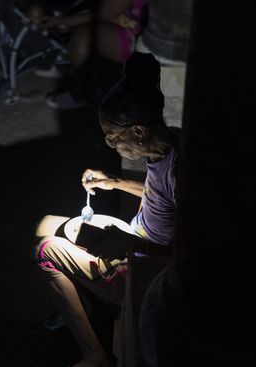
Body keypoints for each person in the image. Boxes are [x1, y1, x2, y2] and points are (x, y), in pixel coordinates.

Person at [32, 52, 178, 367]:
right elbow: (156, 195)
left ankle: (93, 355)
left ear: (138, 132)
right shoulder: (165, 149)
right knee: (46, 224)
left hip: (145, 264)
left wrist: (129, 245)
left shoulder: (178, 172)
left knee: (46, 250)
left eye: (114, 137)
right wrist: (114, 182)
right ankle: (80, 304)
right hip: (137, 237)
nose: (111, 144)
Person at [37, 0, 150, 109]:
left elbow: (99, 14)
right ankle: (81, 77)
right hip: (119, 30)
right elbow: (96, 5)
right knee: (74, 26)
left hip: (135, 41)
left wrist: (61, 20)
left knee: (83, 35)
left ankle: (77, 93)